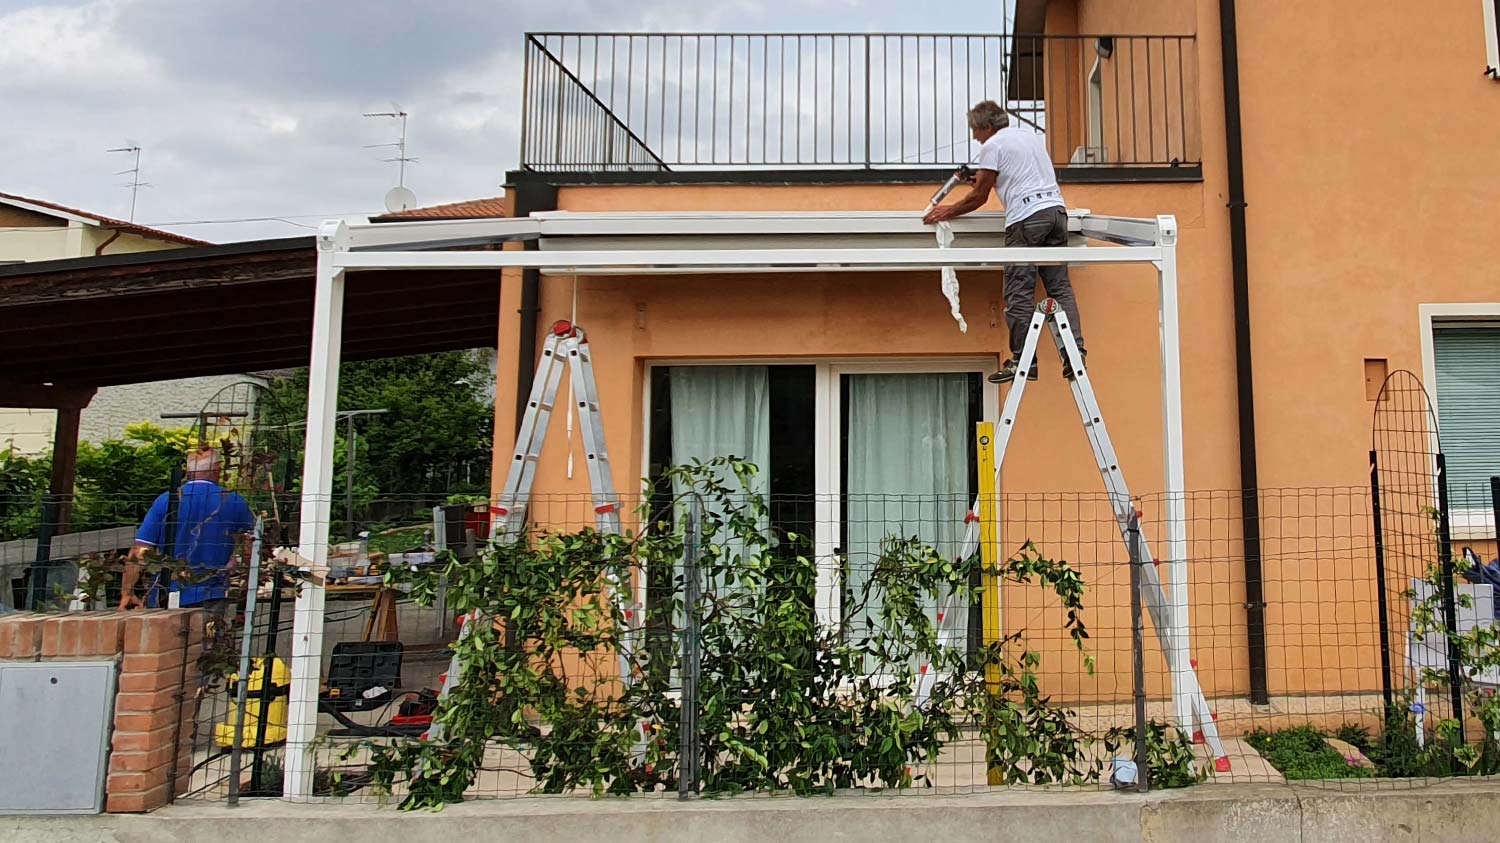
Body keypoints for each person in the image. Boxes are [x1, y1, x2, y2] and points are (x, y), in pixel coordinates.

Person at [923, 100, 1087, 384]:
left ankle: (1023, 362)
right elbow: (1008, 175)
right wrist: (976, 177)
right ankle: (1075, 357)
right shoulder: (1028, 137)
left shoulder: (992, 146)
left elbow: (979, 196)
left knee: (1019, 290)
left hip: (1026, 219)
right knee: (1059, 286)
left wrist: (945, 211)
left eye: (975, 130)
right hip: (1057, 214)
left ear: (987, 126)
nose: (974, 136)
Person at [119, 447, 255, 617]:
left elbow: (141, 549)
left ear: (188, 470)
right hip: (213, 592)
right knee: (208, 639)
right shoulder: (233, 501)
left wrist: (127, 591)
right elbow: (251, 545)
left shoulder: (167, 499)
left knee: (169, 641)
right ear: (218, 469)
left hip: (166, 591)